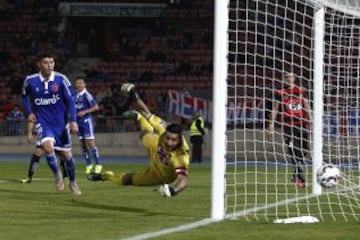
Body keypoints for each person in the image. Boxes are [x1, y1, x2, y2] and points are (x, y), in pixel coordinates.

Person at [89, 83, 190, 197]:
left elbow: (184, 180)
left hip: (158, 175)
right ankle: (139, 118)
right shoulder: (164, 129)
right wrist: (134, 95)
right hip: (156, 147)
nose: (170, 142)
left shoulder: (181, 156)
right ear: (165, 133)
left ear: (179, 140)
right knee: (144, 134)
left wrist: (173, 190)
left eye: (173, 140)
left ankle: (105, 176)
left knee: (126, 180)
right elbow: (147, 112)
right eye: (168, 138)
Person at [21, 53, 81, 195]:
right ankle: (57, 174)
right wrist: (29, 111)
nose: (50, 65)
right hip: (43, 121)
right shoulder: (30, 81)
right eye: (46, 62)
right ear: (39, 64)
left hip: (60, 123)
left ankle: (73, 182)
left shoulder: (61, 80)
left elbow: (71, 101)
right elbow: (24, 95)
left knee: (67, 155)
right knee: (48, 148)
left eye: (52, 62)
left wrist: (73, 121)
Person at [267, 72, 312, 188]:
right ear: (284, 79)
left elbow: (306, 106)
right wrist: (271, 126)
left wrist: (311, 121)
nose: (288, 78)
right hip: (288, 126)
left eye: (290, 76)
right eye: (286, 77)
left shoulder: (301, 90)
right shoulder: (280, 93)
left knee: (304, 148)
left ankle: (296, 173)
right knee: (293, 150)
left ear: (294, 78)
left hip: (301, 124)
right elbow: (275, 109)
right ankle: (300, 178)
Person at [74, 76, 102, 176]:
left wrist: (85, 111)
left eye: (81, 83)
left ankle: (98, 164)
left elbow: (96, 107)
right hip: (78, 122)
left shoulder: (87, 95)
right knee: (82, 144)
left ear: (84, 85)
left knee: (90, 142)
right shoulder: (75, 95)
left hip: (86, 121)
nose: (79, 85)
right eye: (77, 83)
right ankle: (89, 165)